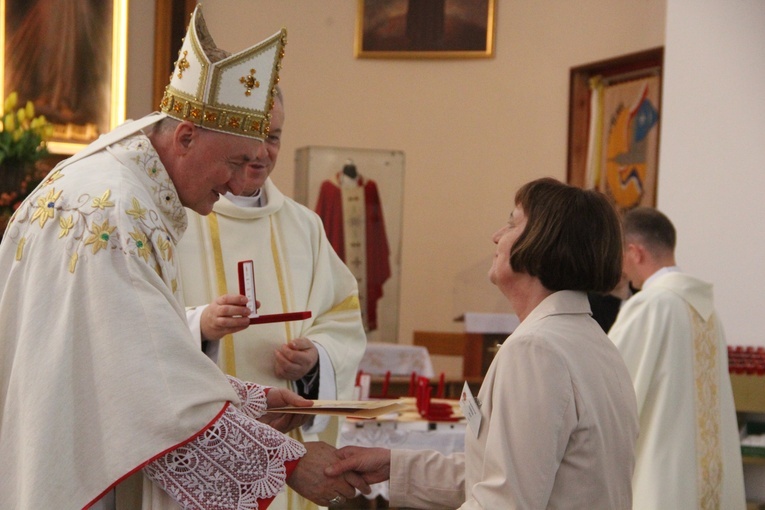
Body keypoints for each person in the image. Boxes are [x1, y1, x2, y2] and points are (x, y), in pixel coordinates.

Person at [0, 6, 368, 509]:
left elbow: (128, 362)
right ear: (186, 137)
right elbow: (149, 387)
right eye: (235, 162)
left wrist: (249, 398)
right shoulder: (119, 214)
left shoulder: (106, 185)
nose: (241, 183)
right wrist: (288, 462)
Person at [327, 177, 639, 508]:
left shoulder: (537, 350)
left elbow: (504, 500)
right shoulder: (591, 341)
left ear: (542, 242)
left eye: (512, 222)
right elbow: (500, 476)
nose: (497, 236)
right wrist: (395, 466)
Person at [176, 85, 367, 508]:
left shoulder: (305, 227)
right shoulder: (178, 220)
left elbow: (343, 316)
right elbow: (140, 327)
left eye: (274, 137)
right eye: (251, 137)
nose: (262, 152)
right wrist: (201, 324)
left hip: (291, 455)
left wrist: (315, 358)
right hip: (205, 449)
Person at [607, 207, 746, 510]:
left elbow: (607, 388)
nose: (621, 268)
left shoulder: (650, 306)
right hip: (703, 480)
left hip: (662, 478)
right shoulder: (709, 313)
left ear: (635, 252)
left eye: (621, 256)